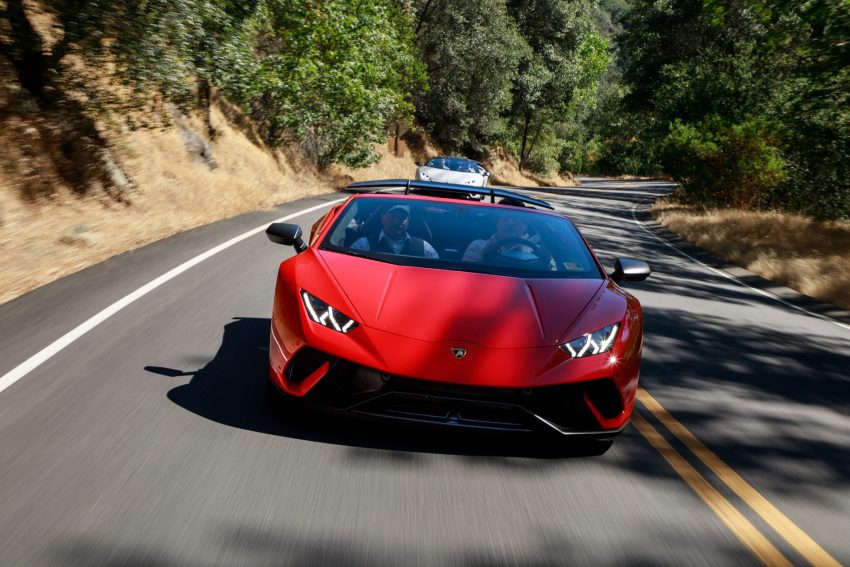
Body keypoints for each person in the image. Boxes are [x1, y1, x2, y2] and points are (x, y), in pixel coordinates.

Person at [462, 211, 554, 268]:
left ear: (525, 225)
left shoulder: (537, 252)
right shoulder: (478, 246)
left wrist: (546, 262)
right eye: (506, 219)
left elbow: (554, 280)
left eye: (515, 219)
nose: (510, 223)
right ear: (497, 223)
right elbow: (465, 277)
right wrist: (483, 259)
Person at [350, 204, 439, 258]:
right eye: (392, 217)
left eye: (402, 217)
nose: (397, 221)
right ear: (382, 217)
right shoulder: (362, 246)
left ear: (409, 220)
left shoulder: (425, 249)